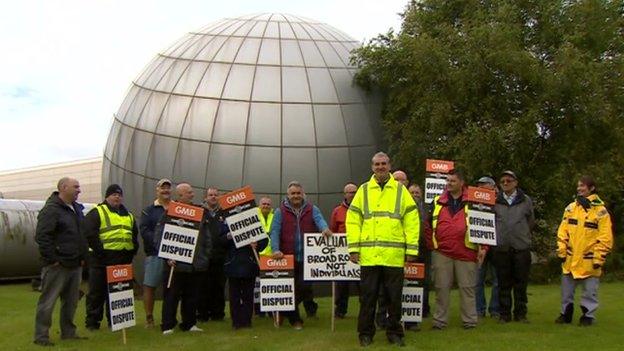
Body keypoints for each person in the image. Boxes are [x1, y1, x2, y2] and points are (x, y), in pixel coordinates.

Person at [346, 153, 419, 347]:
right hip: (369, 257)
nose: (380, 167)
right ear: (372, 167)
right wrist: (353, 248)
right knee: (368, 298)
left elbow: (412, 221)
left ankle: (395, 332)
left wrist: (412, 249)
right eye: (377, 164)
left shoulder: (400, 191)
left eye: (383, 164)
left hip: (393, 257)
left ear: (390, 166)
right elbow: (353, 220)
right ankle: (365, 334)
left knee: (394, 298)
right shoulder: (363, 190)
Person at [425, 169, 484, 330]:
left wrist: (483, 248)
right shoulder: (437, 201)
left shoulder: (473, 201)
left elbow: (485, 226)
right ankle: (439, 321)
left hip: (466, 252)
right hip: (442, 252)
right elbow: (427, 226)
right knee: (441, 288)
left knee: (468, 288)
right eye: (447, 180)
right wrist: (433, 245)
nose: (449, 183)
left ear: (462, 182)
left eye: (452, 181)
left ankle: (470, 320)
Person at [34, 177, 88, 346]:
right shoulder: (51, 210)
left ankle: (68, 332)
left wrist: (82, 258)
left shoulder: (76, 209)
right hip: (58, 265)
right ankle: (41, 336)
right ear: (64, 188)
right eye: (76, 187)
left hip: (74, 264)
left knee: (71, 302)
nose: (79, 190)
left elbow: (80, 235)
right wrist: (53, 259)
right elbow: (42, 236)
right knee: (48, 302)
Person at [270, 181, 332, 330]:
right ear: (288, 195)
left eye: (298, 193)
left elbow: (320, 220)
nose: (296, 196)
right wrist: (275, 249)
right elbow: (275, 231)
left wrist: (324, 228)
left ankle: (285, 310)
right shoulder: (280, 211)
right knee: (290, 289)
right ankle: (295, 320)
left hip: (307, 257)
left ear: (303, 194)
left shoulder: (312, 209)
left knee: (304, 288)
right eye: (293, 193)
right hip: (287, 257)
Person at [555, 176, 613, 326]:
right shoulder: (570, 208)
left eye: (583, 186)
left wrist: (599, 258)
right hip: (569, 259)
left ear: (591, 188)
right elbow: (563, 232)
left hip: (590, 260)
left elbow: (605, 237)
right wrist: (561, 251)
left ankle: (588, 316)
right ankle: (565, 314)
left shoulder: (601, 212)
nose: (579, 188)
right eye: (578, 186)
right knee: (566, 292)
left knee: (589, 293)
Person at [157, 183, 212, 334]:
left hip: (195, 263)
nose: (192, 195)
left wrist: (205, 256)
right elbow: (159, 236)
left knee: (192, 296)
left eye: (192, 192)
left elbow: (206, 236)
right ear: (180, 195)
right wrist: (167, 256)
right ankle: (168, 325)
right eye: (189, 193)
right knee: (171, 296)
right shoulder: (169, 213)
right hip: (175, 263)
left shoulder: (200, 212)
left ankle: (189, 323)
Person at [84, 184, 139, 331]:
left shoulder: (129, 215)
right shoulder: (97, 212)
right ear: (107, 196)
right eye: (114, 194)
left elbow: (134, 235)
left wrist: (133, 250)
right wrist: (101, 252)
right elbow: (89, 234)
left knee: (118, 293)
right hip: (101, 261)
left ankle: (116, 322)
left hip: (122, 261)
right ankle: (92, 323)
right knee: (96, 293)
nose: (117, 197)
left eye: (119, 195)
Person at [492, 170, 535, 323]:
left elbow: (530, 221)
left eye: (508, 181)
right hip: (501, 248)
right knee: (503, 284)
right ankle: (504, 315)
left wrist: (521, 236)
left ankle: (521, 314)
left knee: (521, 284)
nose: (505, 183)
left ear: (516, 182)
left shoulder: (526, 200)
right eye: (502, 181)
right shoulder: (494, 200)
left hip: (521, 248)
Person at [221, 221, 268, 329]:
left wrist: (257, 244)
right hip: (233, 263)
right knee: (234, 295)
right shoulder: (227, 221)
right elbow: (220, 240)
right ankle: (236, 322)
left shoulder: (253, 219)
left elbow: (264, 239)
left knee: (248, 295)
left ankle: (247, 321)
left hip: (249, 263)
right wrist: (229, 236)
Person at [139, 178, 171, 328]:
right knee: (150, 286)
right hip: (155, 253)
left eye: (168, 188)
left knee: (172, 288)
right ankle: (149, 318)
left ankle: (169, 319)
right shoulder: (148, 210)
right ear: (157, 190)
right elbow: (145, 231)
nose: (165, 190)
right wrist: (161, 244)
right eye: (162, 188)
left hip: (174, 255)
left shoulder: (176, 208)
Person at [197, 187, 228, 322]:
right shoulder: (199, 212)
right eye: (211, 195)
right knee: (203, 286)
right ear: (205, 197)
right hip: (203, 256)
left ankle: (218, 314)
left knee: (219, 286)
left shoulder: (225, 213)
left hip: (220, 255)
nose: (213, 197)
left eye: (216, 195)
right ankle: (202, 314)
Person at [330, 182, 359, 319]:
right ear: (345, 194)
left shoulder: (363, 209)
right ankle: (340, 310)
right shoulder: (337, 211)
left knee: (362, 284)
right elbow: (333, 231)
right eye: (350, 192)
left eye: (355, 192)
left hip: (360, 251)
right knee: (342, 284)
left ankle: (365, 310)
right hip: (342, 252)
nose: (352, 194)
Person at [474, 176, 500, 319]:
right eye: (479, 186)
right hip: (479, 246)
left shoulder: (500, 202)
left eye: (484, 186)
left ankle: (495, 309)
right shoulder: (474, 204)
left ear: (492, 187)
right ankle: (479, 309)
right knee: (478, 279)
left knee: (497, 280)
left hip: (496, 246)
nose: (481, 189)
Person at [255, 197, 274, 317]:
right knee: (257, 286)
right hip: (258, 256)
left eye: (268, 204)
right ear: (259, 205)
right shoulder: (254, 217)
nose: (266, 206)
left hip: (271, 257)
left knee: (270, 285)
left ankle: (271, 310)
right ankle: (258, 311)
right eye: (263, 204)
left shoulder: (275, 216)